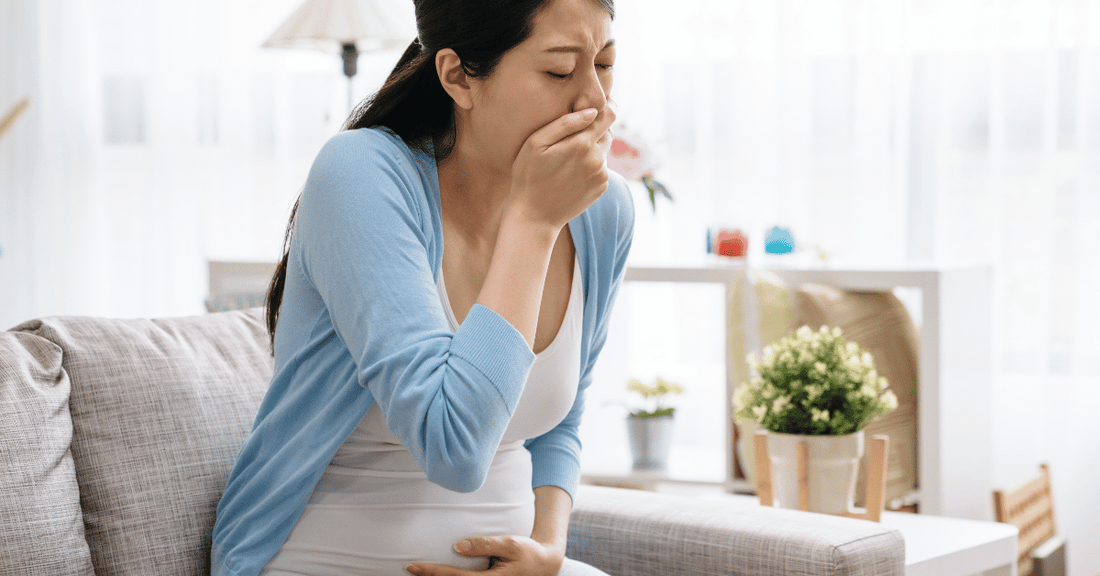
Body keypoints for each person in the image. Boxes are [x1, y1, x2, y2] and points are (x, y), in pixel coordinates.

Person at [211, 0, 632, 573]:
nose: (595, 101)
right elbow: (452, 449)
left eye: (604, 64)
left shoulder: (602, 211)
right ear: (458, 76)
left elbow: (561, 421)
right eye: (559, 70)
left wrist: (549, 552)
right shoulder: (361, 176)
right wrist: (533, 223)